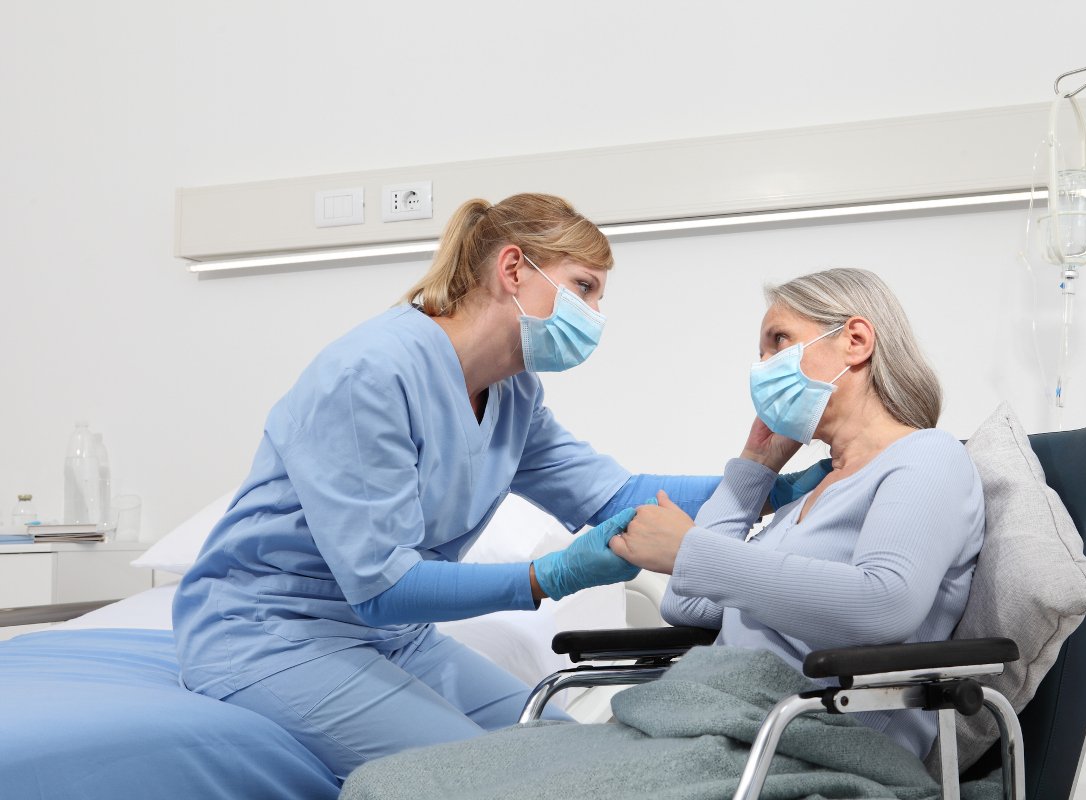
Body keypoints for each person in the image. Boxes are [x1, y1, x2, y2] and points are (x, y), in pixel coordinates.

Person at [172, 193, 724, 781]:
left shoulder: (515, 394)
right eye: (584, 288)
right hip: (274, 634)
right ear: (513, 269)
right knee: (492, 780)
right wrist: (549, 576)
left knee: (577, 763)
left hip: (397, 638)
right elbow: (381, 585)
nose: (593, 315)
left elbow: (617, 495)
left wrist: (776, 482)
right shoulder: (371, 373)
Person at [611, 267, 985, 760]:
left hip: (819, 736)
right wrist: (754, 468)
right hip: (733, 720)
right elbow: (690, 605)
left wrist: (690, 551)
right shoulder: (820, 488)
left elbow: (886, 604)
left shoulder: (928, 456)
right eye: (761, 352)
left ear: (855, 341)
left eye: (779, 341)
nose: (763, 366)